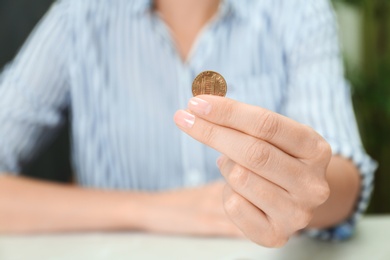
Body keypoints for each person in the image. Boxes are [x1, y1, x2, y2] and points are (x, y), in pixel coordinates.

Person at [0, 0, 376, 247]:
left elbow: (339, 172)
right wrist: (153, 209)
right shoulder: (77, 17)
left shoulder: (299, 11)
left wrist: (307, 188)